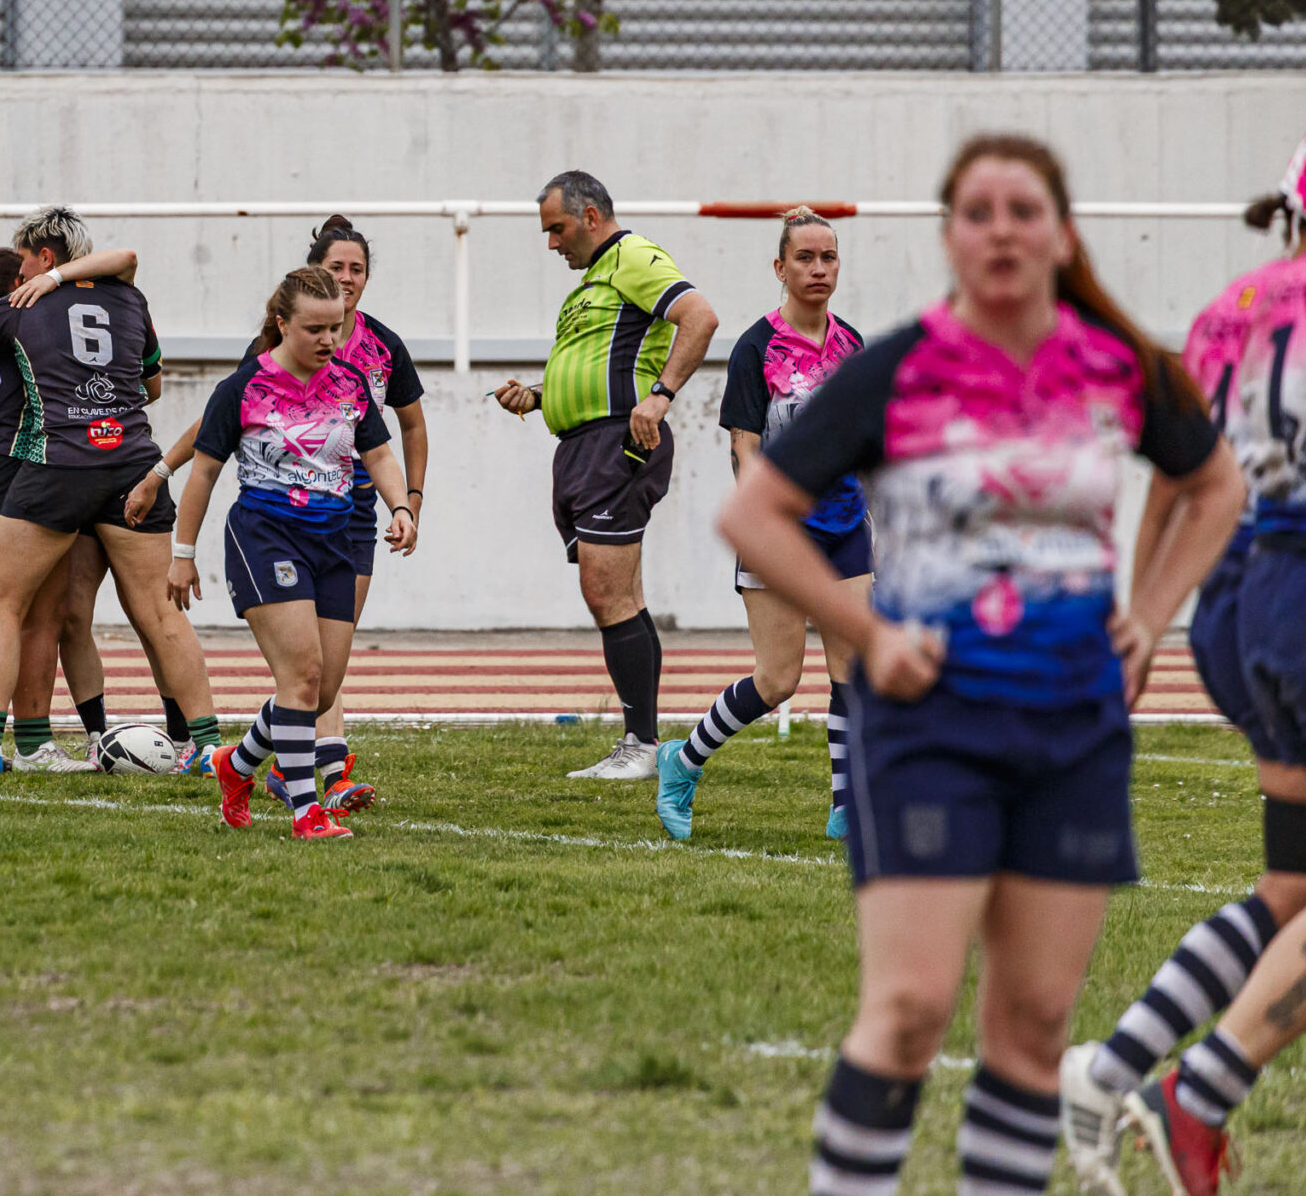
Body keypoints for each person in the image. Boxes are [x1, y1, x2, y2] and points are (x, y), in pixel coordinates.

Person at [716, 133, 1241, 1196]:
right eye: (977, 212)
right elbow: (755, 512)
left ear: (1058, 233)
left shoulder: (1114, 363)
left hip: (1073, 729)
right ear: (951, 237)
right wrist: (867, 633)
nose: (1001, 230)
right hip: (928, 727)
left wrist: (1146, 615)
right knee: (908, 1013)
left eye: (1023, 210)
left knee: (1033, 1024)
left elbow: (1214, 484)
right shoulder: (896, 366)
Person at [1061, 115, 1306, 1195]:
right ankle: (1189, 1089)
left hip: (1254, 593)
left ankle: (1119, 1069)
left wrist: (1145, 610)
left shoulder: (1237, 306)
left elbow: (1181, 473)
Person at [129, 214, 426, 811]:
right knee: (303, 675)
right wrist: (179, 550)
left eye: (336, 330)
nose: (328, 339)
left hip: (342, 533)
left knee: (320, 688)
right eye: (316, 328)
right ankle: (307, 805)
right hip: (266, 534)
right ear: (283, 323)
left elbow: (385, 447)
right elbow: (208, 465)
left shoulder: (356, 378)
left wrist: (403, 504)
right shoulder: (246, 385)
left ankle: (236, 765)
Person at [0, 205, 219, 775]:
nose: (18, 274)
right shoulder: (132, 301)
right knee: (162, 616)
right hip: (133, 464)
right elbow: (153, 384)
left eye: (23, 262)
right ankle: (209, 748)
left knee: (5, 604)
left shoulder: (18, 303)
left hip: (57, 466)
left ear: (43, 258)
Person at [493, 171, 719, 780]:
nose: (552, 243)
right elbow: (602, 364)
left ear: (591, 216)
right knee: (613, 595)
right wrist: (540, 396)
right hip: (581, 447)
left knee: (607, 591)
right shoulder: (592, 282)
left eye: (557, 228)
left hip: (618, 444)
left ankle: (641, 746)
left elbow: (700, 317)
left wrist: (662, 396)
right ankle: (639, 743)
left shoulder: (633, 257)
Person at [660, 207, 865, 843]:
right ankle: (683, 760)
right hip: (779, 531)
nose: (818, 268)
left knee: (852, 669)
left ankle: (846, 807)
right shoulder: (756, 347)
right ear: (779, 268)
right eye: (805, 258)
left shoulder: (853, 345)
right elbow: (743, 446)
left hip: (847, 525)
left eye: (827, 257)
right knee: (778, 679)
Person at [0, 244, 144, 771]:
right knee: (37, 614)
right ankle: (27, 744)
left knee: (13, 606)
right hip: (15, 467)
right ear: (18, 281)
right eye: (29, 270)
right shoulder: (28, 320)